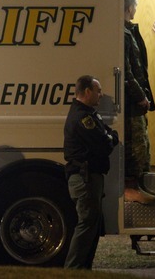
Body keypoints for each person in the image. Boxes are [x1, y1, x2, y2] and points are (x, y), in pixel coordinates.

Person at [63, 75, 119, 270]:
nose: (100, 95)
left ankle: (83, 269)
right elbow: (104, 144)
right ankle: (73, 271)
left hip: (89, 177)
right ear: (87, 91)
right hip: (84, 179)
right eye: (98, 90)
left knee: (92, 226)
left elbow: (109, 135)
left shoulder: (88, 114)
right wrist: (110, 138)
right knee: (86, 224)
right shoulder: (83, 117)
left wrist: (110, 136)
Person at [124, 0, 155, 204]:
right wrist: (140, 96)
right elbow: (127, 71)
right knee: (135, 147)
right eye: (135, 6)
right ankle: (132, 188)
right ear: (129, 8)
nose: (136, 10)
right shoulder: (122, 33)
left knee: (143, 146)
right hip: (131, 104)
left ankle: (140, 186)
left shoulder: (128, 31)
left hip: (137, 103)